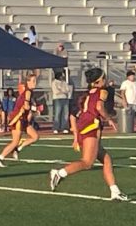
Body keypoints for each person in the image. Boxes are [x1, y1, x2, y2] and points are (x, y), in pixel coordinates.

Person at [49, 68, 127, 200]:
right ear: (98, 81)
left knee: (106, 159)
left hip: (84, 125)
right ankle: (60, 173)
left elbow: (74, 115)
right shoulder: (102, 91)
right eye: (104, 78)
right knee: (87, 162)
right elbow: (99, 107)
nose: (106, 80)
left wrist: (75, 137)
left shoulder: (87, 94)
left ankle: (115, 191)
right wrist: (109, 120)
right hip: (91, 126)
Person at [0, 73, 39, 167]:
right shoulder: (28, 92)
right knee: (15, 141)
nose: (35, 83)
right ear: (28, 82)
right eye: (33, 81)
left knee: (35, 136)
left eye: (35, 81)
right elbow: (26, 106)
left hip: (23, 118)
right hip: (18, 118)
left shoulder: (30, 92)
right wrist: (35, 109)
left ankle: (17, 149)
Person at [50, 69, 72, 134]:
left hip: (65, 99)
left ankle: (64, 127)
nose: (62, 77)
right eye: (61, 76)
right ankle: (56, 128)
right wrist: (63, 91)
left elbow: (68, 90)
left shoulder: (64, 82)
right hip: (57, 99)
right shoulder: (54, 82)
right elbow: (56, 92)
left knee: (65, 114)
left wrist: (61, 90)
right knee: (57, 113)